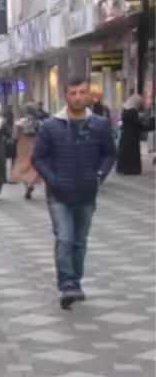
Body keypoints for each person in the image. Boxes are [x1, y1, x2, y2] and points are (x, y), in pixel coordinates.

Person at [31, 77, 117, 310]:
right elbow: (37, 157)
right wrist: (53, 179)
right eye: (73, 93)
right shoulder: (51, 126)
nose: (77, 97)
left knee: (80, 241)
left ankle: (76, 280)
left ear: (89, 95)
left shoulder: (99, 125)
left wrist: (99, 175)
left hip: (87, 192)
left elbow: (109, 154)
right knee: (65, 238)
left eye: (82, 92)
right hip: (59, 193)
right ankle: (67, 283)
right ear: (65, 96)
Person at [10, 103, 43, 200]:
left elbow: (15, 136)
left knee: (22, 165)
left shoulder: (20, 122)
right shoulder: (38, 122)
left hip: (22, 146)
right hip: (35, 144)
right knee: (32, 165)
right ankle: (31, 182)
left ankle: (27, 185)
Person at [116, 95, 149, 175]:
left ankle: (122, 168)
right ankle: (132, 169)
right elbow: (136, 123)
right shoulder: (133, 111)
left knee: (124, 153)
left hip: (125, 135)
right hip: (132, 136)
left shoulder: (125, 110)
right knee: (132, 154)